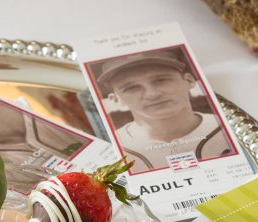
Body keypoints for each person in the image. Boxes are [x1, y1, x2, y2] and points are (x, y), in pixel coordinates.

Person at [97, 50, 233, 172]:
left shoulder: (231, 128)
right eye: (131, 88)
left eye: (161, 80)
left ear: (189, 81)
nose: (152, 94)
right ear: (116, 99)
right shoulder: (110, 150)